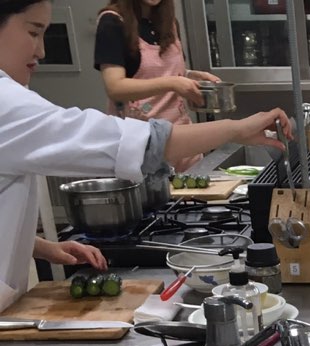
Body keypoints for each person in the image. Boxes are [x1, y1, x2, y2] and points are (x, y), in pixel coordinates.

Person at [0, 0, 291, 311]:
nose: (42, 51)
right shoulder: (7, 104)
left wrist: (39, 246)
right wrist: (235, 129)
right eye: (33, 32)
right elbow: (135, 142)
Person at [94, 0, 219, 171]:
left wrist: (190, 75)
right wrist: (173, 83)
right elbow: (115, 87)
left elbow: (160, 71)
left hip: (182, 138)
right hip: (141, 145)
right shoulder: (112, 22)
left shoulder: (170, 23)